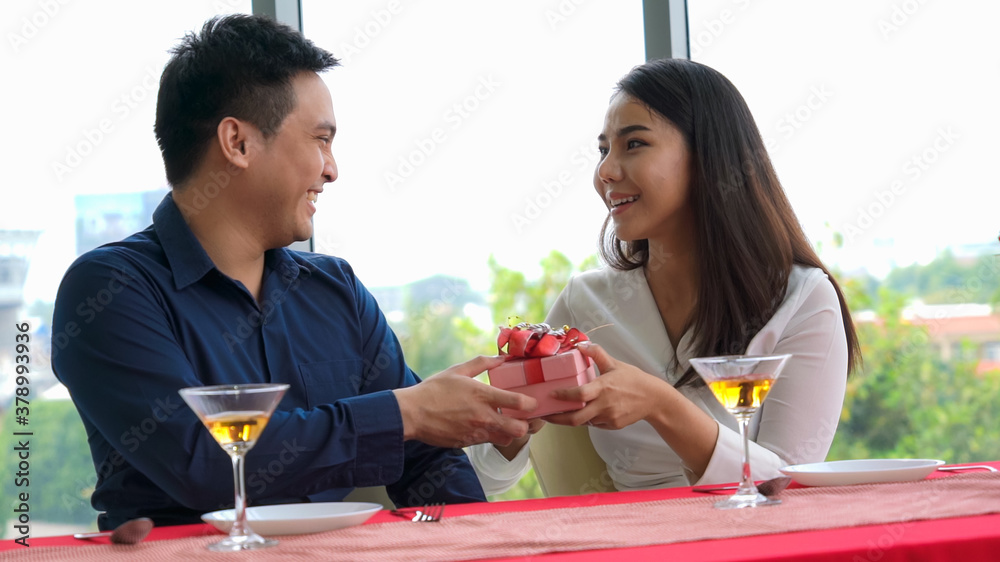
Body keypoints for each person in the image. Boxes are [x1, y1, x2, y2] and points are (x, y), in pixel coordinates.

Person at [51, 14, 535, 530]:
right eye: (320, 140)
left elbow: (425, 458)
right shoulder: (110, 290)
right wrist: (405, 413)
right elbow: (204, 465)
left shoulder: (336, 290)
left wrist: (486, 541)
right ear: (238, 143)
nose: (332, 168)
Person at [469, 58, 860, 495]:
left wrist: (660, 404)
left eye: (633, 144)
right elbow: (480, 482)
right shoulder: (587, 303)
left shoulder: (801, 300)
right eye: (603, 151)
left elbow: (787, 486)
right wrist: (509, 427)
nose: (606, 172)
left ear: (709, 156)